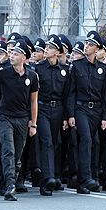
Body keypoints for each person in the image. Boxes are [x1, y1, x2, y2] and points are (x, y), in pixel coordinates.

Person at [0, 39, 39, 201]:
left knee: (17, 156)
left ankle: (7, 182)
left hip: (22, 119)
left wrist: (34, 123)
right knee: (8, 151)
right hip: (5, 117)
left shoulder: (32, 76)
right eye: (11, 53)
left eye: (16, 54)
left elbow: (33, 101)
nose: (12, 56)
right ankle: (11, 185)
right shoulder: (4, 72)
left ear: (24, 57)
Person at [67, 31, 106, 194]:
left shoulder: (103, 69)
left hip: (97, 110)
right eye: (86, 43)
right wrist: (71, 114)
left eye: (90, 44)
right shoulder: (77, 66)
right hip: (81, 108)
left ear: (97, 48)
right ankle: (85, 178)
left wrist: (105, 117)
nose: (87, 46)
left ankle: (86, 181)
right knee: (85, 139)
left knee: (95, 142)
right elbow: (71, 92)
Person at [33, 34, 71, 196]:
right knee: (47, 141)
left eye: (49, 48)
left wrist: (66, 116)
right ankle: (47, 178)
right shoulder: (38, 68)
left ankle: (53, 176)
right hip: (42, 109)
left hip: (58, 110)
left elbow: (67, 95)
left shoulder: (64, 71)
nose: (46, 50)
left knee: (56, 142)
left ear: (57, 52)